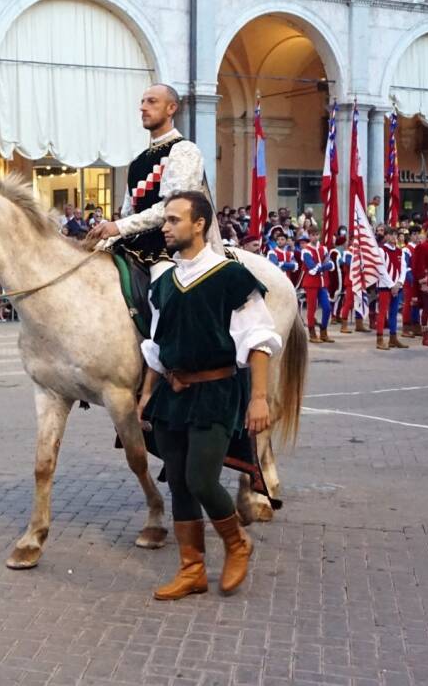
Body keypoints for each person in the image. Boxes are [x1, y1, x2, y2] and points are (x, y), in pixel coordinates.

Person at [137, 191, 281, 600]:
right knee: (180, 484)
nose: (165, 227)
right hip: (173, 394)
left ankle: (237, 544)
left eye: (173, 220)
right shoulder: (163, 283)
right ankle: (192, 569)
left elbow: (258, 339)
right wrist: (147, 392)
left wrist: (258, 398)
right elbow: (156, 343)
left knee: (201, 478)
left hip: (217, 392)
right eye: (165, 220)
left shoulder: (231, 276)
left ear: (199, 224)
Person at [85, 84, 205, 277]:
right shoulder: (137, 162)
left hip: (171, 247)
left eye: (152, 101)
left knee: (160, 292)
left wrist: (118, 227)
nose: (143, 107)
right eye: (142, 102)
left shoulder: (184, 150)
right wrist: (102, 237)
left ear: (171, 108)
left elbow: (172, 210)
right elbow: (128, 213)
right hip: (136, 244)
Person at [299, 227, 335, 344]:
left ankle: (323, 331)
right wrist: (323, 266)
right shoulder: (306, 251)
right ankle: (312, 332)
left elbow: (331, 264)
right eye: (312, 235)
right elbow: (312, 268)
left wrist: (321, 266)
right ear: (309, 236)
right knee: (312, 308)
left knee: (327, 307)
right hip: (311, 283)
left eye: (316, 234)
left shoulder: (323, 249)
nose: (315, 237)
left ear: (319, 235)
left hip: (322, 283)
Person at [375, 227, 408, 350]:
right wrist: (391, 285)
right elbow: (381, 269)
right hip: (385, 286)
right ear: (386, 236)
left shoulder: (401, 252)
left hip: (397, 287)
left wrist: (399, 283)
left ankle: (393, 339)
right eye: (391, 235)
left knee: (394, 313)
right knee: (383, 313)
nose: (394, 237)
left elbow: (403, 268)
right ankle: (379, 339)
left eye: (396, 235)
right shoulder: (381, 251)